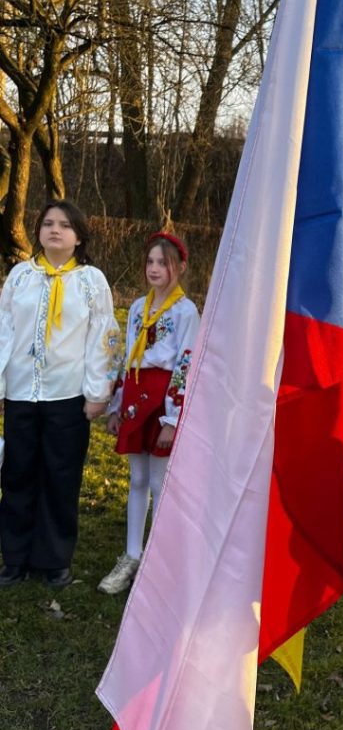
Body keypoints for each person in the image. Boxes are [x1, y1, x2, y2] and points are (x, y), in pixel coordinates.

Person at [0, 201, 120, 588]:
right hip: (21, 394)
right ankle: (15, 557)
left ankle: (54, 560)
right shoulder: (19, 277)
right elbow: (4, 332)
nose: (55, 230)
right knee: (17, 475)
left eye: (65, 225)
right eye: (48, 223)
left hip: (67, 396)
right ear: (38, 231)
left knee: (60, 476)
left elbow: (102, 338)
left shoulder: (90, 281)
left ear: (78, 236)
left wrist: (98, 392)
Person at [98, 232, 200, 595]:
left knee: (160, 483)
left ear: (180, 268)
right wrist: (116, 404)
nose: (154, 269)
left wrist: (173, 417)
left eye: (163, 263)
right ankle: (131, 555)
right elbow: (129, 356)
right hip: (135, 399)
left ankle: (158, 563)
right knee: (137, 479)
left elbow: (186, 363)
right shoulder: (139, 307)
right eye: (150, 262)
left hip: (162, 400)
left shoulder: (185, 311)